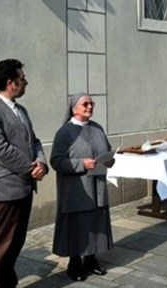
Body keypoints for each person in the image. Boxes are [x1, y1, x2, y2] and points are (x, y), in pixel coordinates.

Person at [0, 59, 48, 288]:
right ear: (11, 83)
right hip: (4, 190)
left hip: (24, 188)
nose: (26, 81)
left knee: (14, 244)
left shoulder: (20, 110)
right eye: (22, 77)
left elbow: (34, 141)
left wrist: (41, 163)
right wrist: (30, 168)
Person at [50, 92, 115, 282]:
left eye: (92, 103)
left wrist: (110, 161)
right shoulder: (64, 132)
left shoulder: (97, 128)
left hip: (98, 185)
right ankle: (75, 262)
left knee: (95, 222)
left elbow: (107, 150)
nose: (90, 107)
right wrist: (81, 164)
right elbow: (56, 161)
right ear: (74, 108)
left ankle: (91, 260)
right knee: (78, 225)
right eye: (85, 104)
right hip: (77, 188)